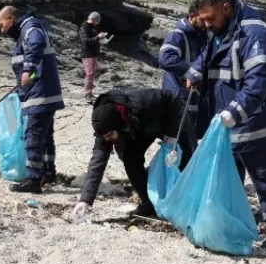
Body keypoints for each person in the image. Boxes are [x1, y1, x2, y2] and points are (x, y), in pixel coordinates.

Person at [184, 0, 266, 250]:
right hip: (228, 115)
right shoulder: (219, 29)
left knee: (263, 172)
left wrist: (234, 112)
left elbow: (258, 82)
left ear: (225, 7)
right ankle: (229, 220)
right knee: (229, 172)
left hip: (257, 119)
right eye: (204, 20)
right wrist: (195, 71)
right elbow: (209, 54)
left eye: (211, 19)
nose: (207, 25)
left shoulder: (255, 33)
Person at [71, 88, 197, 218]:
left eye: (109, 135)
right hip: (138, 128)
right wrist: (85, 199)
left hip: (171, 115)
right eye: (104, 137)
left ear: (118, 124)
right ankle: (148, 202)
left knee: (187, 157)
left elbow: (173, 106)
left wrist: (172, 135)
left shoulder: (143, 104)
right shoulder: (104, 127)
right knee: (130, 159)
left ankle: (189, 200)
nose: (107, 139)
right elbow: (97, 162)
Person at [0, 6, 65, 193]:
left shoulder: (30, 27)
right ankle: (48, 172)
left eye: (2, 25)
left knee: (33, 136)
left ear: (11, 19)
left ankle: (33, 180)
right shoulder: (25, 31)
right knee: (45, 136)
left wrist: (28, 69)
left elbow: (36, 44)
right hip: (42, 93)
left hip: (40, 94)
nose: (2, 31)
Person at [158, 1, 208, 136]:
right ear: (192, 16)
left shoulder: (202, 36)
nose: (207, 24)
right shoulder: (177, 35)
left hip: (193, 97)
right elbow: (165, 58)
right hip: (178, 96)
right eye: (203, 20)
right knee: (176, 139)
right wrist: (191, 73)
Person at [79, 12, 107, 104]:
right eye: (97, 21)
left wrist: (101, 39)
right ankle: (87, 94)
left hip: (94, 54)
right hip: (87, 54)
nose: (98, 23)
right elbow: (86, 41)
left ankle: (89, 93)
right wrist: (98, 37)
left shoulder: (93, 27)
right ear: (93, 19)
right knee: (90, 74)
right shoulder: (84, 27)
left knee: (92, 74)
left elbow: (93, 39)